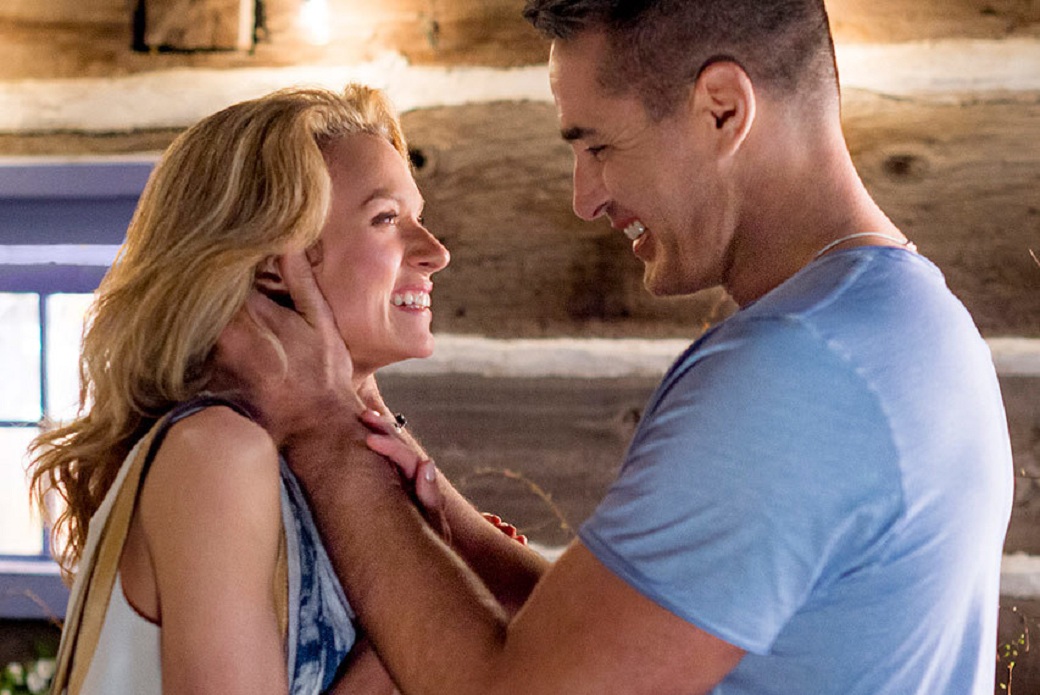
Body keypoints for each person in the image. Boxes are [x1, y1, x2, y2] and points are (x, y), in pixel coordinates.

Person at [215, 1, 1015, 693]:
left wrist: (325, 434)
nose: (584, 196)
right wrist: (448, 526)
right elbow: (650, 627)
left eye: (597, 146)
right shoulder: (910, 320)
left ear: (723, 110)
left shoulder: (793, 370)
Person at [27, 84, 457, 694]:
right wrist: (414, 624)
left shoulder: (300, 464)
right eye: (386, 219)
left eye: (419, 218)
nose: (435, 252)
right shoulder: (217, 452)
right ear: (274, 265)